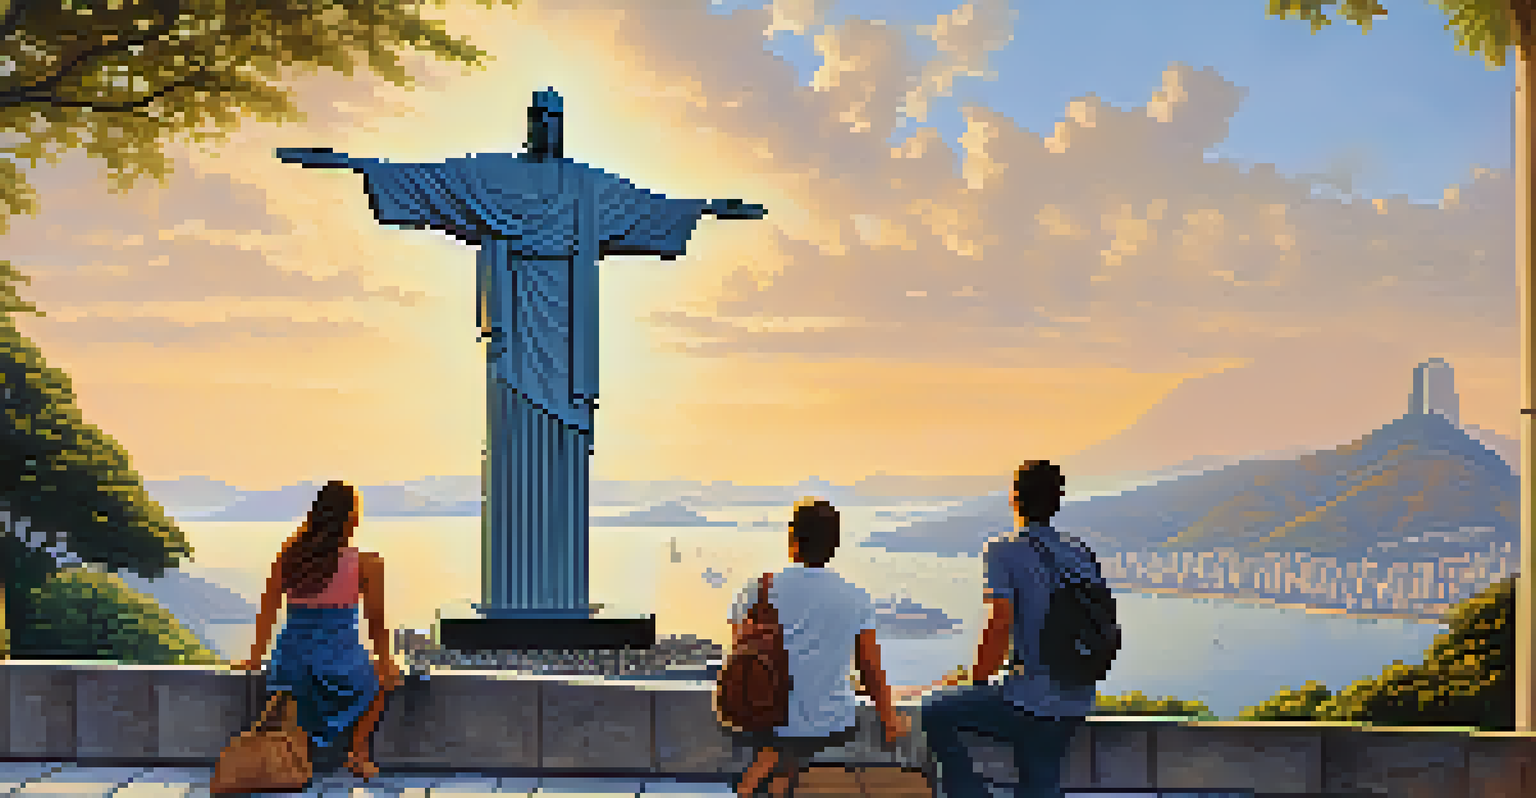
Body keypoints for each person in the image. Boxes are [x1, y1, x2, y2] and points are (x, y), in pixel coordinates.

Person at [916, 461, 1097, 798]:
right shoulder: (1081, 553)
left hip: (1028, 700)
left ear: (1015, 499)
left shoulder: (1004, 550)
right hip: (1077, 698)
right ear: (1056, 502)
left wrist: (978, 678)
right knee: (1040, 780)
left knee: (935, 711)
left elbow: (1000, 620)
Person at [728, 498, 912, 797]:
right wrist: (889, 717)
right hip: (831, 719)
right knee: (801, 731)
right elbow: (870, 669)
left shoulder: (760, 587)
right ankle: (766, 783)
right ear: (834, 545)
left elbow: (739, 649)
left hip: (762, 712)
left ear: (793, 539)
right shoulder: (855, 597)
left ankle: (754, 785)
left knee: (783, 734)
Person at [232, 480, 401, 780]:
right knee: (378, 682)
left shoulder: (291, 557)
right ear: (351, 517)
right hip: (338, 660)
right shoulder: (367, 563)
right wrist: (386, 660)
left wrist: (255, 659)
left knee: (294, 700)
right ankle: (358, 753)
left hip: (291, 663)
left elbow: (268, 612)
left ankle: (300, 755)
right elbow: (376, 621)